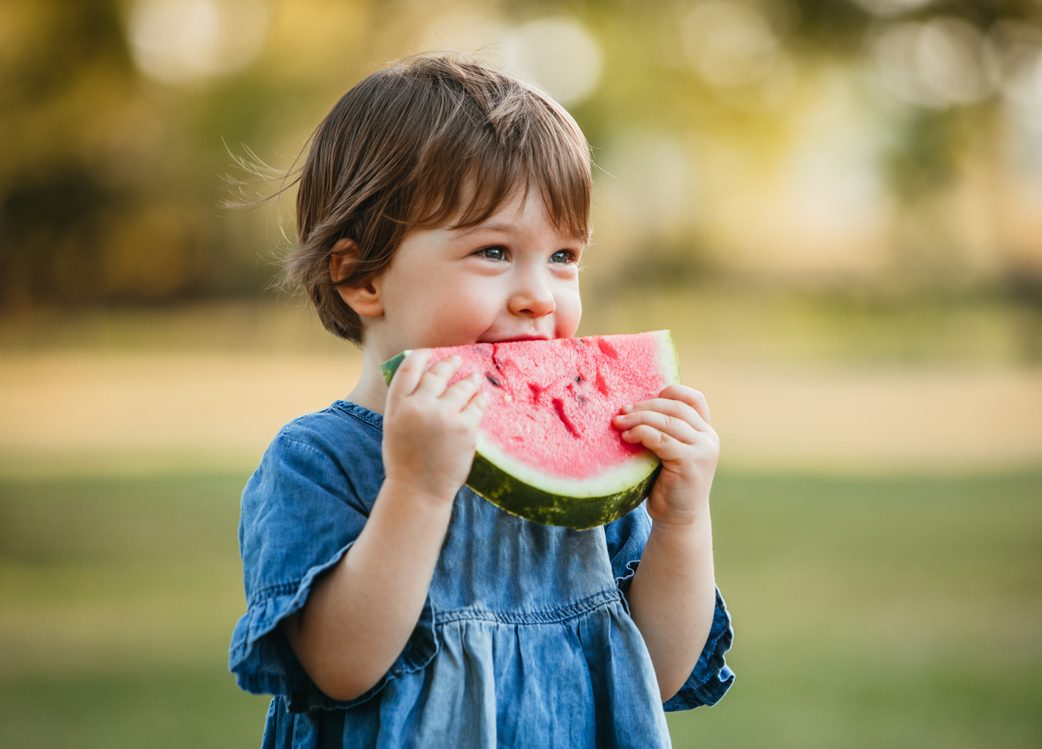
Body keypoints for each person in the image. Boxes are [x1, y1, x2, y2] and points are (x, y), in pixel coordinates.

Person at [228, 53, 734, 748]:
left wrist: (681, 522)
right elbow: (339, 667)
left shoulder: (593, 466)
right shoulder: (318, 461)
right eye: (494, 251)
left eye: (563, 256)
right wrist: (417, 488)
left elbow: (661, 671)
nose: (539, 293)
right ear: (359, 275)